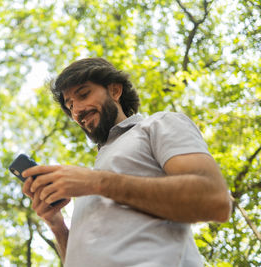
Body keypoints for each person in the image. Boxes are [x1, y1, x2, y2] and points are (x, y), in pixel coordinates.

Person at [22, 58, 231, 267]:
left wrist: (97, 182)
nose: (77, 111)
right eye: (70, 106)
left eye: (83, 94)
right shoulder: (91, 179)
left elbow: (214, 199)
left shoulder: (158, 125)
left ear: (114, 90)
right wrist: (57, 226)